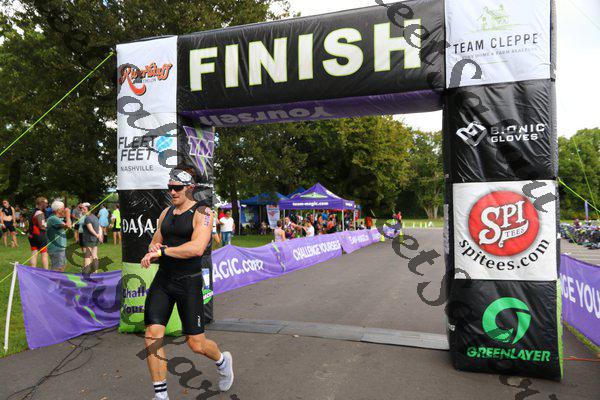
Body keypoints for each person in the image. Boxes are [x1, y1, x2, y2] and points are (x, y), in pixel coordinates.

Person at [141, 166, 234, 399]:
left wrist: (162, 252)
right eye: (169, 188)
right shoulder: (166, 213)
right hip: (164, 279)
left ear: (189, 188)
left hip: (189, 283)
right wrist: (153, 249)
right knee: (152, 334)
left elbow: (197, 248)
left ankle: (222, 361)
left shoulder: (203, 212)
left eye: (177, 188)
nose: (172, 192)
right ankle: (160, 396)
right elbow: (155, 242)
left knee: (196, 344)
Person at [46, 200, 71, 271]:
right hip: (56, 249)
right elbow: (68, 226)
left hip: (60, 248)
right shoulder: (53, 218)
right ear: (58, 210)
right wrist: (68, 214)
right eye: (63, 208)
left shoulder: (56, 219)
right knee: (56, 269)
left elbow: (68, 226)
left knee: (62, 267)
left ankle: (56, 278)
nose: (64, 210)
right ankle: (52, 279)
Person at [80, 202, 102, 273]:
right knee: (94, 255)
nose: (82, 210)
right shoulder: (95, 217)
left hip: (89, 239)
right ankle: (95, 272)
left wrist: (97, 235)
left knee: (87, 256)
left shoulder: (87, 218)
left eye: (83, 209)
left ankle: (87, 273)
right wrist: (99, 235)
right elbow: (99, 228)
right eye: (82, 209)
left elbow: (91, 229)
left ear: (87, 209)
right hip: (95, 240)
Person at [28, 197, 49, 269]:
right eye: (46, 203)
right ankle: (46, 272)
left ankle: (33, 271)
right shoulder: (39, 213)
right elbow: (42, 226)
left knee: (34, 253)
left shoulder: (33, 212)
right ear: (41, 203)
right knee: (44, 254)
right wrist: (48, 226)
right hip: (40, 235)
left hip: (32, 235)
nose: (47, 205)